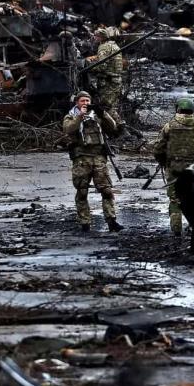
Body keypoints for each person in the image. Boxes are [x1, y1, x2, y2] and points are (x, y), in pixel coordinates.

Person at [62, 91, 125, 233]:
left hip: (98, 157)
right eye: (82, 101)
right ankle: (85, 223)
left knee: (106, 190)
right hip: (81, 159)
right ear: (77, 102)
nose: (85, 104)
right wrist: (80, 116)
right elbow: (68, 129)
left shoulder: (97, 115)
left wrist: (103, 114)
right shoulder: (71, 115)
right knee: (82, 191)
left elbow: (113, 127)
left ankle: (111, 221)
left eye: (87, 101)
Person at [153, 97, 194, 236]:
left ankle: (176, 230)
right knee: (193, 198)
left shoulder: (169, 126)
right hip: (193, 170)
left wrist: (162, 161)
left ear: (177, 108)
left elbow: (158, 148)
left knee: (174, 199)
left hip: (174, 168)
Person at [85, 28, 124, 127]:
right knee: (111, 106)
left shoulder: (103, 47)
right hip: (115, 80)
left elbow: (102, 66)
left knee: (105, 106)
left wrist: (89, 67)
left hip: (108, 81)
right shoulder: (114, 46)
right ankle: (116, 128)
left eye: (95, 36)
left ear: (100, 37)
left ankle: (120, 127)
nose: (94, 38)